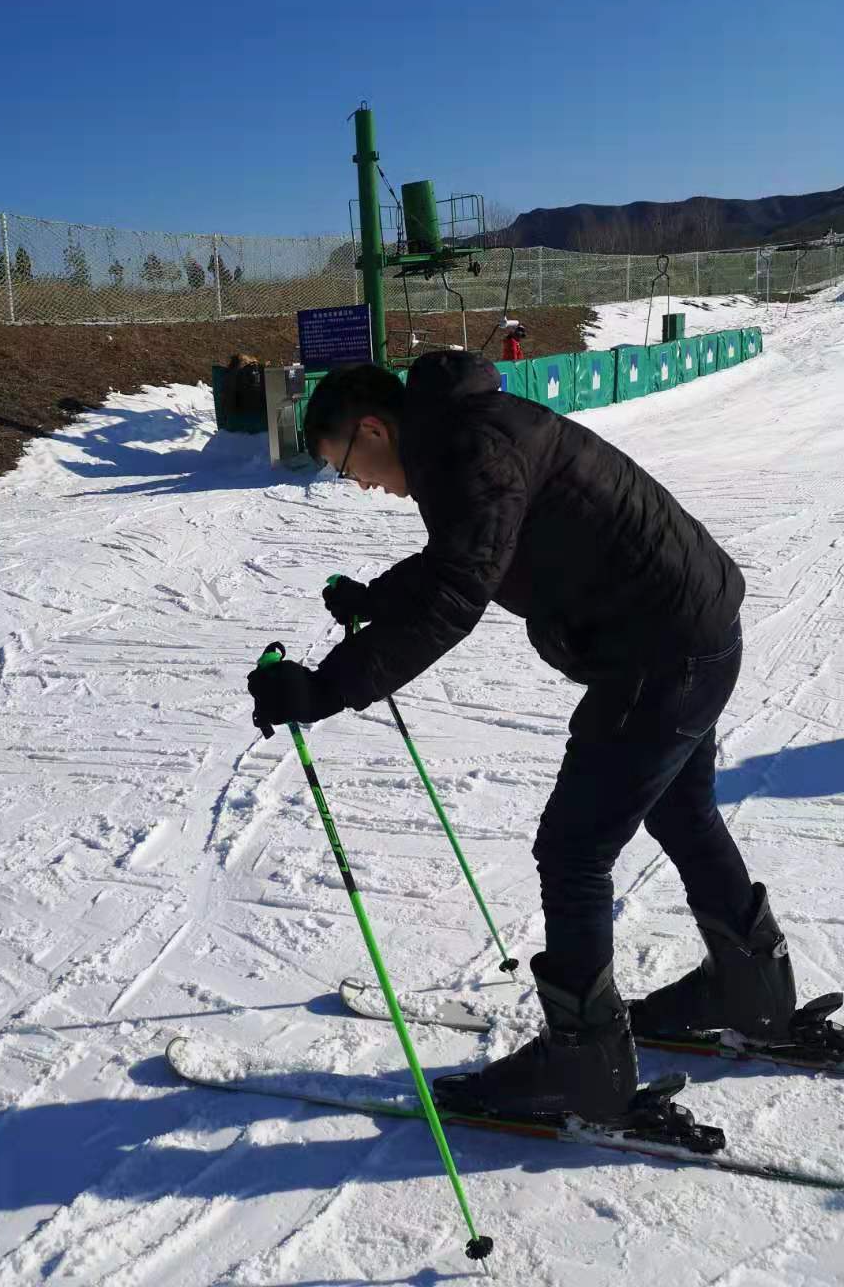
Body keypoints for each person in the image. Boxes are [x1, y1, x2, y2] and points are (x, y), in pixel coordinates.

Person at [247, 351, 796, 1122]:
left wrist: (326, 688)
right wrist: (380, 597)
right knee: (680, 808)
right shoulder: (465, 434)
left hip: (661, 652)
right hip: (690, 630)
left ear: (373, 427)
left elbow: (458, 591)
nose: (360, 484)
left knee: (574, 849)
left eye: (347, 465)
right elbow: (467, 552)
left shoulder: (466, 449)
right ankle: (751, 991)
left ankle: (584, 1067)